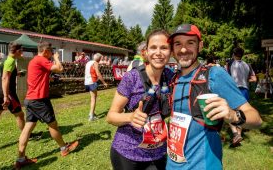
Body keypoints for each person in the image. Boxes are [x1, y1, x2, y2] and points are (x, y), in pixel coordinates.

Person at [166, 23, 262, 169]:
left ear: (200, 45)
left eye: (190, 43)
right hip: (172, 165)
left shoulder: (214, 75)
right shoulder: (174, 79)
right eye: (178, 44)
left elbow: (256, 119)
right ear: (173, 49)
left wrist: (233, 115)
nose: (183, 49)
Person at [106, 30, 173, 170]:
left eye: (164, 47)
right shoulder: (132, 77)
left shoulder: (171, 76)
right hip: (127, 152)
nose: (158, 52)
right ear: (146, 52)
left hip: (158, 152)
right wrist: (131, 116)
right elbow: (111, 116)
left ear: (171, 52)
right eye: (153, 47)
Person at [15, 41, 79, 169]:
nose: (51, 55)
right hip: (39, 100)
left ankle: (20, 159)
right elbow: (60, 69)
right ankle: (64, 148)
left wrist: (48, 78)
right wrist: (56, 59)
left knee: (27, 128)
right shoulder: (41, 59)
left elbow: (39, 76)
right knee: (52, 124)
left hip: (30, 99)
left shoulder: (34, 61)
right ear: (45, 51)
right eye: (50, 52)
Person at [227, 47, 257, 146]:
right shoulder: (247, 65)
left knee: (230, 112)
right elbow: (254, 79)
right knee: (241, 113)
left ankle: (235, 134)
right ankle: (239, 134)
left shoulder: (230, 63)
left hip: (233, 89)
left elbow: (226, 77)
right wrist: (244, 80)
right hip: (245, 90)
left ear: (233, 54)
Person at [84, 53, 108, 121]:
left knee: (93, 98)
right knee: (93, 98)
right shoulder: (95, 63)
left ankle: (92, 113)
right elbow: (98, 73)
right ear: (99, 59)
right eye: (101, 59)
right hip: (92, 81)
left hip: (86, 82)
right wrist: (104, 82)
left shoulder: (88, 62)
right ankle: (91, 116)